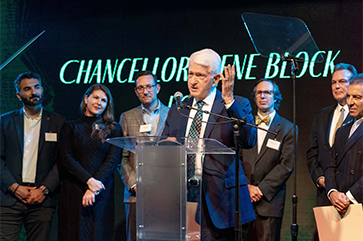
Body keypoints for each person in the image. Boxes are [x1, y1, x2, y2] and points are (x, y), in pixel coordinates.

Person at [162, 48, 256, 240]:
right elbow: (164, 147)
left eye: (200, 75)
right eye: (190, 74)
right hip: (183, 198)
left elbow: (249, 140)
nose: (192, 81)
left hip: (220, 201)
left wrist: (229, 101)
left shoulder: (236, 104)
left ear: (216, 79)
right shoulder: (178, 109)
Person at [0, 72, 65, 240]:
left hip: (42, 200)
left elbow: (62, 161)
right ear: (18, 95)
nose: (33, 92)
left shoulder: (58, 122)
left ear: (42, 89)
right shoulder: (4, 121)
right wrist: (14, 187)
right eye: (27, 89)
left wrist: (44, 189)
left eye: (36, 87)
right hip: (9, 198)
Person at [57, 84, 123, 241]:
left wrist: (93, 188)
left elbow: (112, 160)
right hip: (74, 190)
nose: (99, 102)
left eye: (104, 100)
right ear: (86, 99)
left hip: (101, 192)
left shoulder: (114, 129)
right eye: (95, 97)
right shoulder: (70, 127)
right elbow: (66, 158)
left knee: (99, 234)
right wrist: (89, 181)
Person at [241, 79, 296, 241]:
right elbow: (236, 158)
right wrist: (247, 187)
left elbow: (286, 165)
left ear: (275, 97)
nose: (263, 96)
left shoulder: (288, 128)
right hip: (244, 196)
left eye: (267, 92)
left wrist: (260, 189)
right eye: (259, 92)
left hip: (270, 200)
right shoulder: (244, 124)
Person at [119, 70, 169, 241]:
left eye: (149, 86)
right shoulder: (127, 117)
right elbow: (123, 157)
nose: (145, 91)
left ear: (158, 88)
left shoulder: (173, 115)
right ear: (135, 91)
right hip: (136, 195)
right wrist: (134, 184)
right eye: (140, 88)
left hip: (166, 194)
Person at [306, 63, 357, 207]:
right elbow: (312, 153)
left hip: (352, 197)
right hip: (325, 194)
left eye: (342, 81)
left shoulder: (359, 117)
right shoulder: (322, 116)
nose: (336, 86)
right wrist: (321, 178)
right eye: (333, 82)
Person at [325, 73, 363, 217]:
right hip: (338, 206)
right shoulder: (342, 131)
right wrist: (333, 192)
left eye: (357, 97)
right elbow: (330, 166)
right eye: (348, 96)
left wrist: (349, 197)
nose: (350, 102)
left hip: (357, 204)